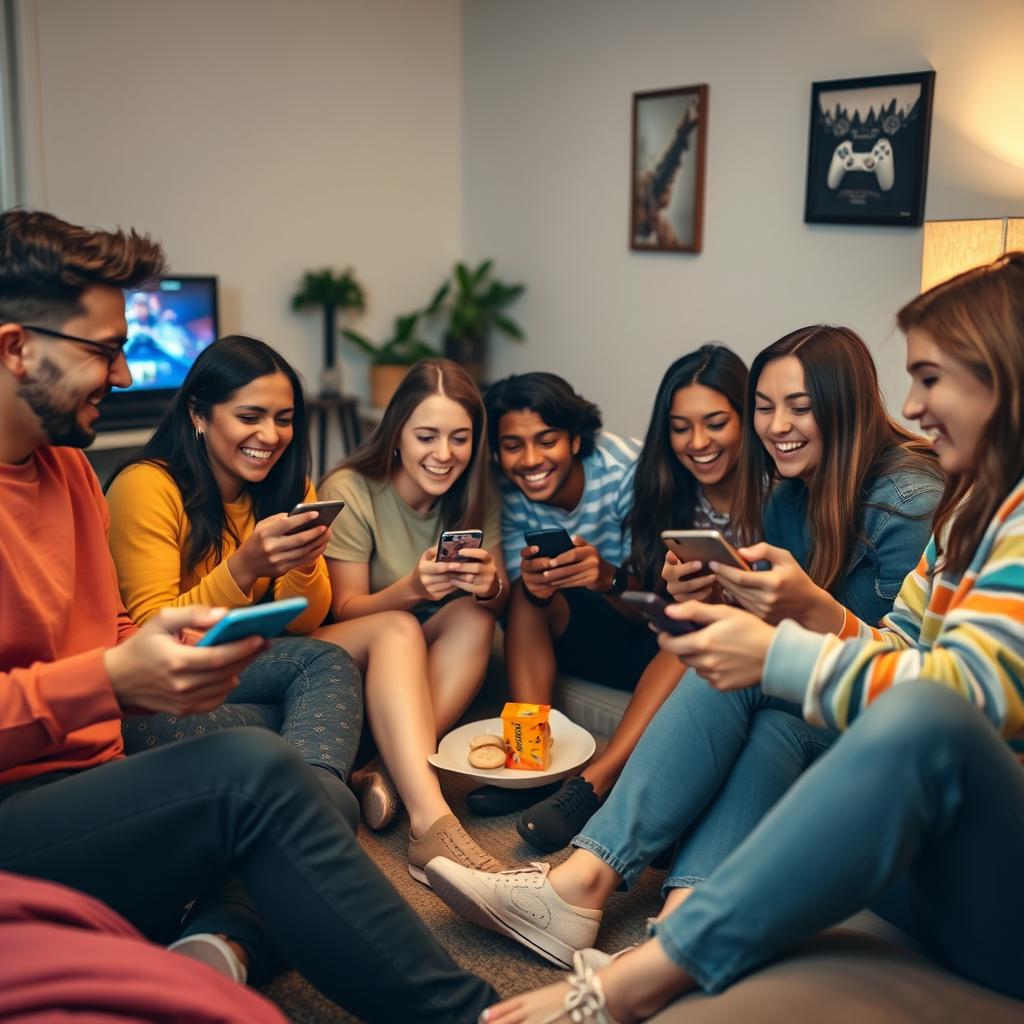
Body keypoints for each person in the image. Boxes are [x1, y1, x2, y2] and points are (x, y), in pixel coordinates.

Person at [442, 252, 1024, 1024]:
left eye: (931, 377)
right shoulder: (968, 517)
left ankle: (618, 920)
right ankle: (662, 914)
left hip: (987, 865)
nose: (912, 404)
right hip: (924, 850)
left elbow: (966, 707)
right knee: (774, 704)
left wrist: (782, 641)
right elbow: (897, 648)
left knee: (793, 676)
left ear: (1002, 376)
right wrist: (789, 612)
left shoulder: (930, 502)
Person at [0, 208, 497, 1023]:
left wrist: (163, 661)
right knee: (262, 773)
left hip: (97, 775)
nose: (124, 376)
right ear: (17, 346)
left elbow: (115, 634)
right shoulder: (135, 483)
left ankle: (221, 945)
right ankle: (473, 1015)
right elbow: (105, 663)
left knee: (315, 796)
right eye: (104, 350)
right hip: (21, 805)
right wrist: (117, 675)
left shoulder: (71, 474)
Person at [105, 335, 362, 828]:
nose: (270, 435)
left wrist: (303, 563)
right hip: (161, 688)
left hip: (239, 666)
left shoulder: (289, 486)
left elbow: (308, 621)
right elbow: (152, 633)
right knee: (327, 679)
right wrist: (245, 568)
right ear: (199, 415)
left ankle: (309, 803)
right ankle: (318, 787)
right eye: (250, 417)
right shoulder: (147, 484)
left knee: (324, 665)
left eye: (283, 419)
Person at [509, 347, 749, 851]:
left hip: (721, 651)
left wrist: (720, 597)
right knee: (531, 592)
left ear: (747, 420)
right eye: (681, 427)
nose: (698, 442)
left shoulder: (777, 495)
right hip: (653, 636)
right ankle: (530, 764)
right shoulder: (663, 486)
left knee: (693, 625)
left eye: (715, 423)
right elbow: (643, 600)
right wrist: (612, 581)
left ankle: (594, 784)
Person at [318, 358, 508, 882]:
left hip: (423, 650)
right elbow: (345, 608)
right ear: (397, 434)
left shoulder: (475, 493)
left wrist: (489, 583)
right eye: (427, 436)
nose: (444, 455)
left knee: (474, 618)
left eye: (460, 439)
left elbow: (496, 601)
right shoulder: (352, 489)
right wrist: (411, 591)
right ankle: (433, 822)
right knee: (400, 625)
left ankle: (386, 770)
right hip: (353, 645)